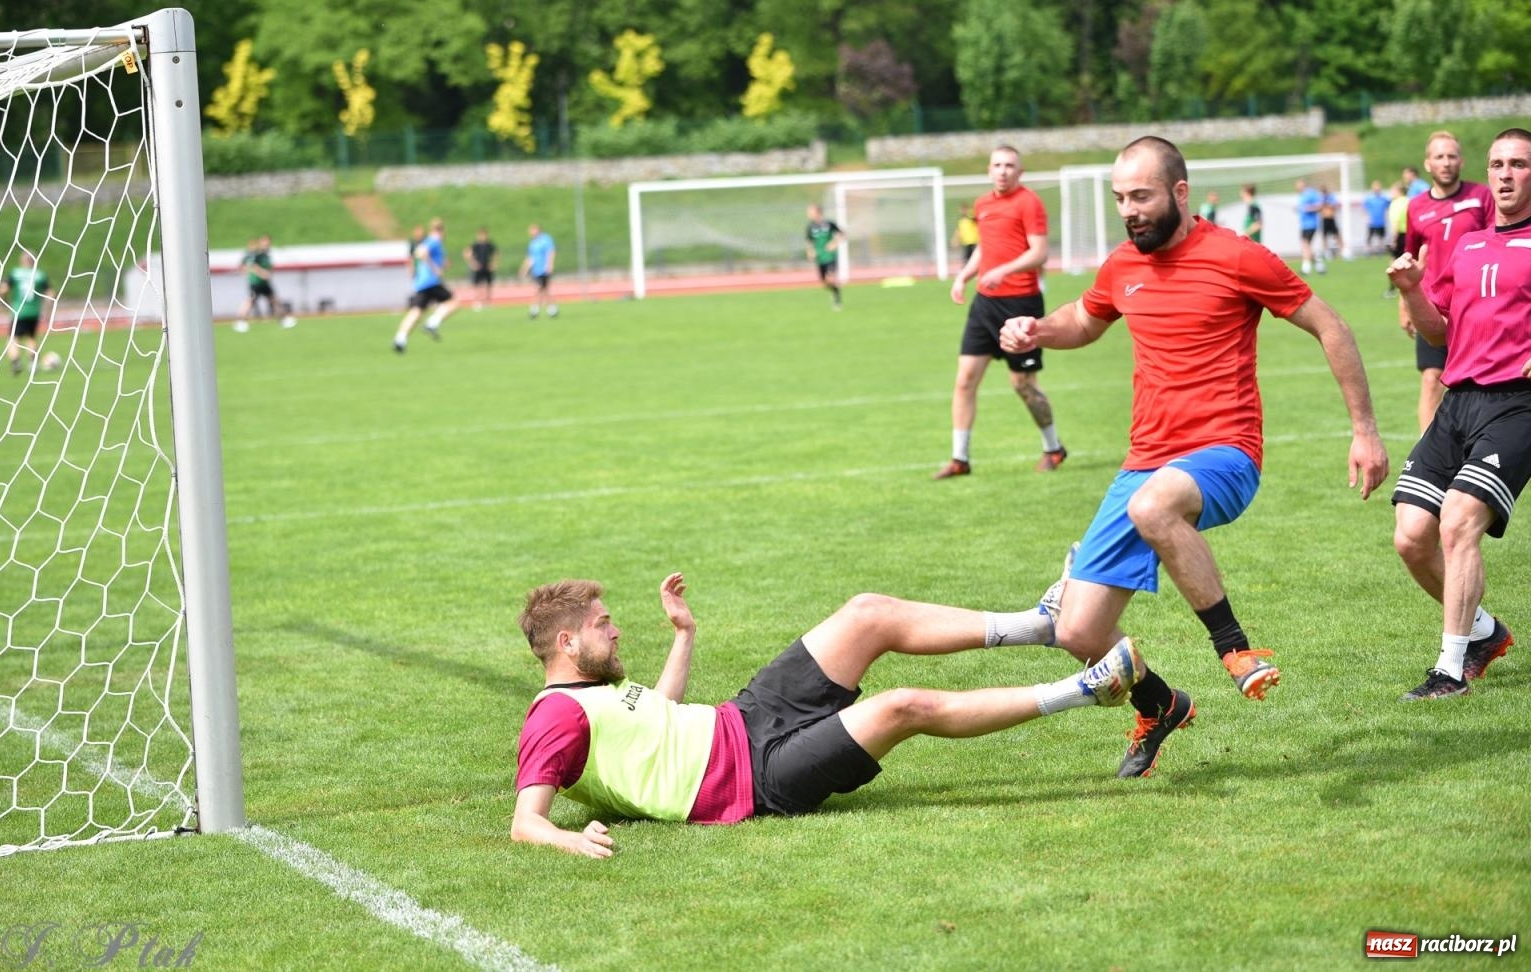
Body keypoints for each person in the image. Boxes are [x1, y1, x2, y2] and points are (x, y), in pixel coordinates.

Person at [999, 136, 1389, 778]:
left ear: (1180, 192)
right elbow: (1087, 319)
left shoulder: (1237, 257)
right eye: (1121, 198)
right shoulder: (1123, 263)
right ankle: (1162, 705)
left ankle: (1234, 648)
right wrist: (1039, 328)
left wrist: (1365, 430)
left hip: (1225, 455)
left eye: (1142, 196)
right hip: (1145, 461)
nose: (1129, 209)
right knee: (1078, 632)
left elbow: (1331, 324)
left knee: (1156, 506)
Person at [511, 572, 1144, 856]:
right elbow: (525, 822)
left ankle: (1039, 625)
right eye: (602, 626)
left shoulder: (594, 693)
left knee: (866, 612)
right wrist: (571, 838)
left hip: (743, 717)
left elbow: (660, 714)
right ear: (566, 644)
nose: (616, 632)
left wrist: (684, 633)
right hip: (758, 782)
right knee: (902, 706)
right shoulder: (555, 718)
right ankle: (1088, 688)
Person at [1385, 127, 1529, 700]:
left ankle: (1450, 669)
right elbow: (1438, 330)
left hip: (1516, 406)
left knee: (1458, 522)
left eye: (1518, 163)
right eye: (1498, 163)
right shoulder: (1469, 245)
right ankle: (1484, 633)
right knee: (1410, 536)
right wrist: (1413, 291)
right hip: (1458, 400)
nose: (1505, 173)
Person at [936, 146, 1066, 479]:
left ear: (1020, 171)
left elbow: (1039, 253)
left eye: (1010, 165)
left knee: (1023, 385)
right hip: (985, 305)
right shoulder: (983, 204)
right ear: (989, 170)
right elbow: (986, 246)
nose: (1003, 171)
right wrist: (965, 275)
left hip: (1020, 306)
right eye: (997, 165)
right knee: (964, 380)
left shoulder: (1029, 202)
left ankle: (1053, 448)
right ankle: (959, 459)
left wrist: (1004, 271)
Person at [1398, 132, 1493, 433]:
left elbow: (1498, 242)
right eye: (1439, 157)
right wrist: (1405, 303)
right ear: (1428, 164)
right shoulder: (1415, 207)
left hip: (1475, 306)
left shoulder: (1481, 197)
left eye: (1452, 156)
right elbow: (1410, 258)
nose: (1446, 162)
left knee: (1480, 380)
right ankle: (1428, 456)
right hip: (1432, 306)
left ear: (1461, 161)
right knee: (1431, 378)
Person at [393, 218, 458, 352]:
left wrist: (442, 264)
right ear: (442, 231)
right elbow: (420, 253)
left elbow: (422, 253)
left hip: (422, 283)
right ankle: (432, 323)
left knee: (416, 311)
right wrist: (435, 268)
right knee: (454, 302)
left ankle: (400, 338)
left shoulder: (430, 241)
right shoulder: (434, 241)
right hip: (431, 281)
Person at [0, 249, 50, 375]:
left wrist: (4, 302)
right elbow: (50, 293)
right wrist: (47, 309)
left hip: (18, 311)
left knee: (13, 338)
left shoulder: (15, 273)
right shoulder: (40, 275)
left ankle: (16, 363)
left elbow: (3, 290)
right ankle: (33, 363)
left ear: (22, 260)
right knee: (31, 338)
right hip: (34, 312)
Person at [234, 235, 280, 332]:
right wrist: (262, 273)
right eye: (265, 242)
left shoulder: (266, 254)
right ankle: (240, 321)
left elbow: (268, 267)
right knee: (250, 301)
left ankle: (282, 319)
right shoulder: (257, 254)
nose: (267, 244)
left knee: (274, 300)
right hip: (256, 283)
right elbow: (251, 265)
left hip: (264, 283)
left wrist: (267, 273)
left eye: (268, 242)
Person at [804, 204, 845, 310]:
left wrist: (834, 243)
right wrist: (810, 252)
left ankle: (837, 300)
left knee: (830, 277)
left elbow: (842, 234)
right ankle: (835, 290)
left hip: (830, 256)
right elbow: (809, 241)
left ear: (818, 213)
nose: (809, 215)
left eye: (810, 212)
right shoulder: (810, 227)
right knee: (824, 282)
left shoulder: (829, 224)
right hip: (820, 258)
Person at [521, 223, 558, 318]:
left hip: (544, 269)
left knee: (540, 288)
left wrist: (550, 264)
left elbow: (551, 252)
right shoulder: (532, 243)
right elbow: (530, 257)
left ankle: (535, 310)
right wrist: (525, 269)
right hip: (536, 270)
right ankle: (551, 309)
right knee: (543, 289)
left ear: (538, 230)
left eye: (533, 231)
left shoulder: (546, 239)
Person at [1383, 180, 1411, 298]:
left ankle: (1393, 288)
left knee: (1394, 261)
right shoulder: (1410, 201)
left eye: (1392, 190)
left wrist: (1393, 239)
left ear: (1398, 191)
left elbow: (1396, 222)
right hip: (1411, 234)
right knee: (1411, 261)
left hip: (1400, 235)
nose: (1391, 193)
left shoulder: (1396, 204)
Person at [1295, 179, 1326, 275]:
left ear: (1303, 185)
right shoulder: (1301, 196)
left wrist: (1308, 208)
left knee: (1305, 245)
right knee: (1306, 246)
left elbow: (1320, 206)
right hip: (1304, 225)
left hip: (1311, 224)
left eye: (1298, 185)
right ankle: (1319, 265)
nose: (1297, 187)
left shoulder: (1311, 193)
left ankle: (1306, 268)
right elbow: (1302, 208)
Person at [468, 227, 498, 311]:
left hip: (487, 267)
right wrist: (473, 263)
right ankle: (478, 301)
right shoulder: (475, 245)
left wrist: (494, 264)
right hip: (478, 268)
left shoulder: (489, 245)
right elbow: (468, 254)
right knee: (478, 285)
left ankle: (487, 302)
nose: (483, 237)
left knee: (488, 285)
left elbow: (496, 253)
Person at [1363, 180, 1390, 255]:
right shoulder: (1369, 199)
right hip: (1372, 222)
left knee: (1381, 237)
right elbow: (1364, 209)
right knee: (1369, 237)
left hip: (1381, 221)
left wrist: (1387, 216)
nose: (1376, 189)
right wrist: (1367, 218)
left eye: (1378, 187)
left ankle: (1380, 250)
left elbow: (1388, 208)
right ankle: (1368, 251)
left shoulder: (1384, 199)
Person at [1319, 191, 1343, 261]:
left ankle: (1343, 251)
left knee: (1337, 235)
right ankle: (1326, 253)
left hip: (1331, 219)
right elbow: (1319, 208)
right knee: (1324, 237)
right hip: (1325, 220)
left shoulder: (1331, 198)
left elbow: (1334, 206)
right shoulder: (1320, 200)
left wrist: (1327, 205)